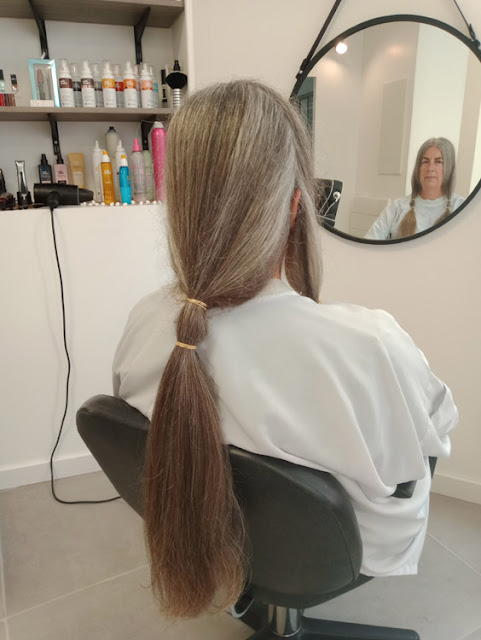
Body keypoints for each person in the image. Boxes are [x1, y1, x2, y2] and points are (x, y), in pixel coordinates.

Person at [112, 80, 458, 618]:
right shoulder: (369, 345)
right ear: (296, 206)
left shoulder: (146, 321)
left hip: (208, 527)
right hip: (343, 548)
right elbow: (432, 430)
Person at [365, 137, 465, 240]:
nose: (430, 168)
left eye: (438, 162)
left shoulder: (462, 207)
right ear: (418, 168)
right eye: (425, 162)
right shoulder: (396, 208)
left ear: (449, 168)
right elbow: (369, 243)